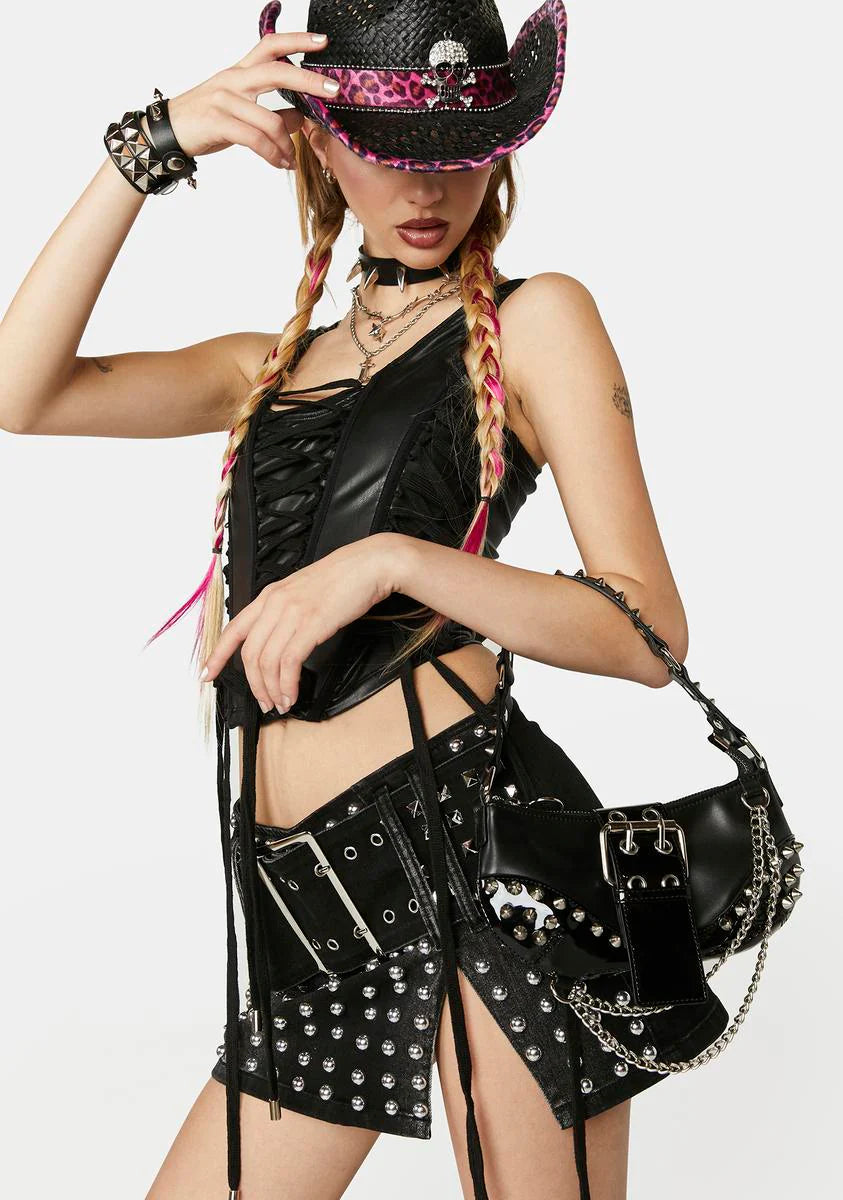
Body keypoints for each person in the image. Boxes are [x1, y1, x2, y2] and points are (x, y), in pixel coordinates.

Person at [0, 2, 733, 1197]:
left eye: (461, 148)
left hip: (486, 864)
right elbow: (18, 391)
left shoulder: (537, 321)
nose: (427, 187)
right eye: (390, 148)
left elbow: (648, 632)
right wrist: (152, 146)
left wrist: (392, 561)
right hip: (309, 901)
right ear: (319, 144)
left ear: (502, 149)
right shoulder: (266, 368)